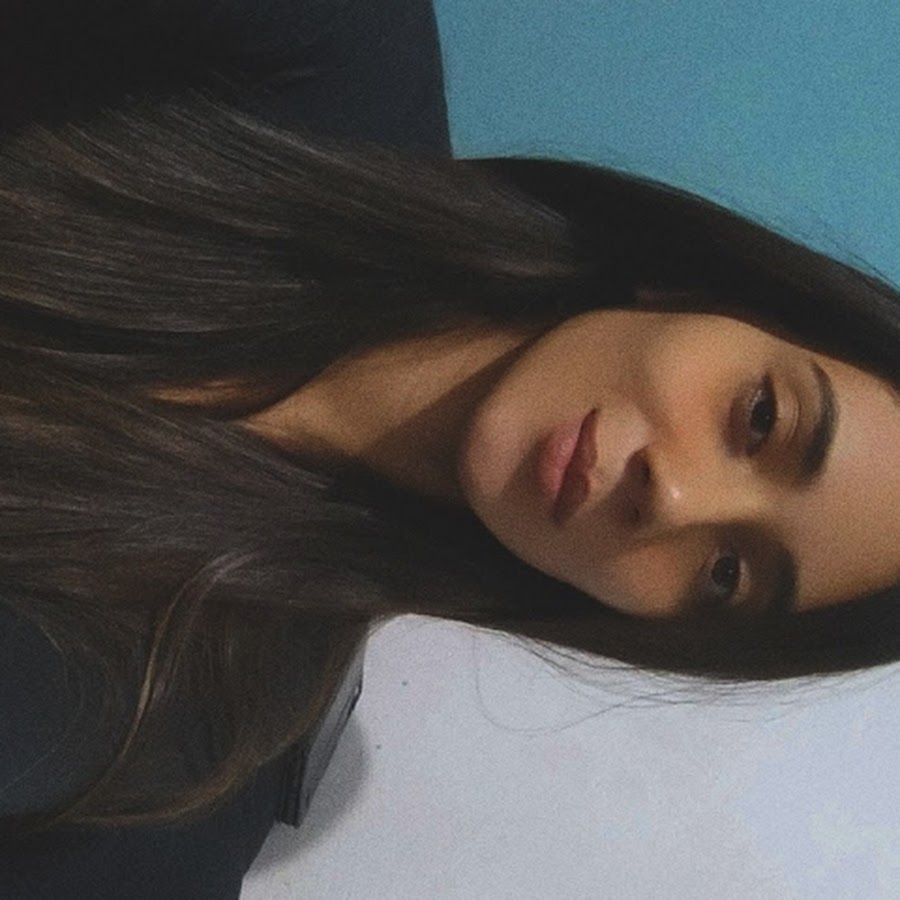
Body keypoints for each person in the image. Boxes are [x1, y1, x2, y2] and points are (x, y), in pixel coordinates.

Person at [0, 0, 898, 896]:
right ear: (703, 290)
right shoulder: (321, 48)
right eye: (761, 419)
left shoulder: (161, 779)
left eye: (726, 575)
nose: (671, 500)